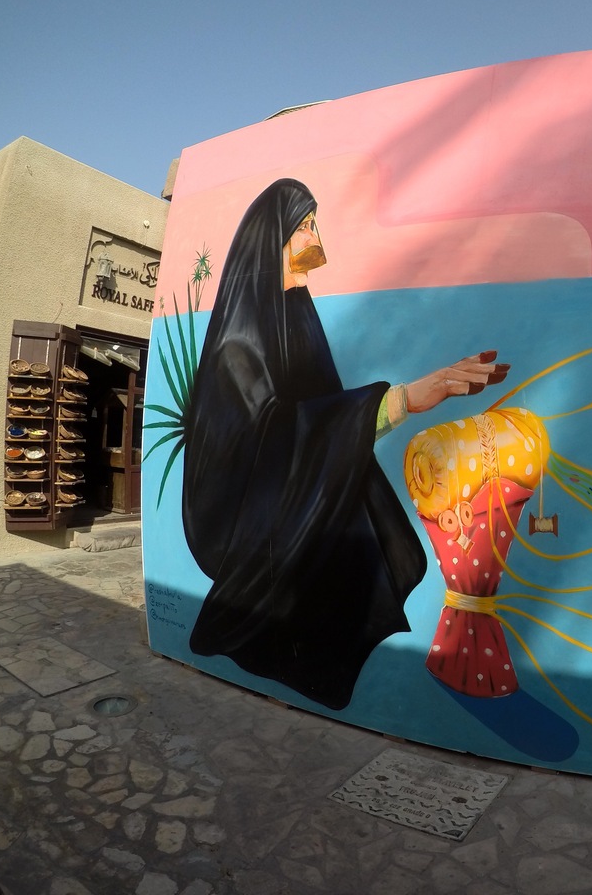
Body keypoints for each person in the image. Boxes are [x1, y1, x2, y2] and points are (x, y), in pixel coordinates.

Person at [181, 178, 507, 710]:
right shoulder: (235, 351)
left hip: (293, 506)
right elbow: (276, 438)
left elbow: (325, 419)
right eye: (305, 226)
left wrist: (392, 408)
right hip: (246, 523)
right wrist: (404, 398)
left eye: (315, 224)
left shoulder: (297, 321)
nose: (316, 238)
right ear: (272, 241)